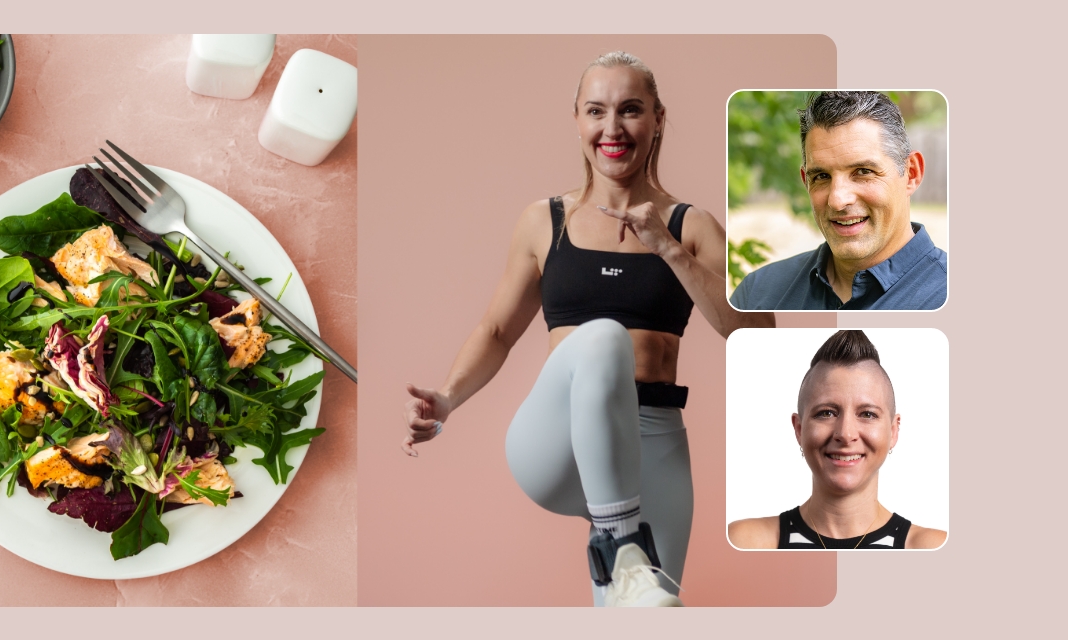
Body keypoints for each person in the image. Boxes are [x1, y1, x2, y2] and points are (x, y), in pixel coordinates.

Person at [400, 51, 773, 607]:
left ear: (658, 119)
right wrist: (448, 398)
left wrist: (669, 250)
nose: (612, 128)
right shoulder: (544, 221)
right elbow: (498, 329)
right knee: (601, 336)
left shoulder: (690, 227)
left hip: (654, 437)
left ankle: (623, 558)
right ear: (577, 119)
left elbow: (756, 333)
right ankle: (623, 547)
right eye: (596, 111)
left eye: (630, 110)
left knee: (651, 609)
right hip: (557, 443)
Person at [727, 330, 947, 550]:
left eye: (867, 414)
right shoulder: (746, 542)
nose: (845, 433)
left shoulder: (932, 547)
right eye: (826, 413)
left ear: (893, 431)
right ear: (799, 429)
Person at [730, 91, 947, 310]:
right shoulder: (757, 295)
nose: (837, 200)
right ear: (806, 182)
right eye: (822, 177)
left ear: (911, 173)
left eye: (863, 171)